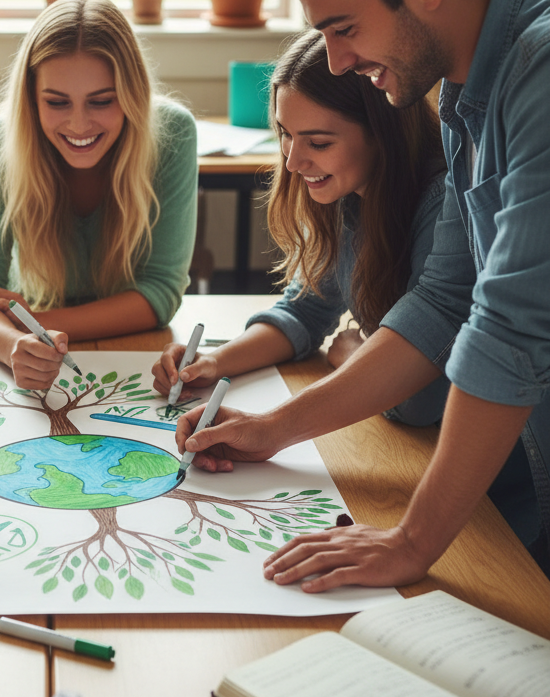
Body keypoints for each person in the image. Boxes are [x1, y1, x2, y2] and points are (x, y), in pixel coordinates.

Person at [177, 0, 550, 591]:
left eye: (343, 28)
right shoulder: (460, 81)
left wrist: (412, 542)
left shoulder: (539, 69)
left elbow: (509, 329)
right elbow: (445, 301)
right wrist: (271, 430)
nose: (338, 61)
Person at [154, 29, 451, 431]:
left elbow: (420, 402)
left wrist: (352, 354)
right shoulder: (349, 192)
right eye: (286, 135)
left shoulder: (441, 210)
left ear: (383, 134)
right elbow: (304, 310)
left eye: (319, 143)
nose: (293, 162)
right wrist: (214, 361)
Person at [0, 0, 198, 389]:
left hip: (134, 353)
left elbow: (160, 293)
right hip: (35, 360)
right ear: (31, 98)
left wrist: (37, 323)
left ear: (132, 95)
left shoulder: (172, 134)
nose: (79, 124)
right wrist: (15, 344)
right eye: (56, 102)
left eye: (101, 101)